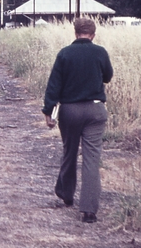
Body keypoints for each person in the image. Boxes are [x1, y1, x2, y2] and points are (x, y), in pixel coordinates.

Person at [42, 18, 113, 224]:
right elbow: (108, 76)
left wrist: (48, 111)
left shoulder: (65, 53)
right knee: (92, 159)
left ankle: (66, 193)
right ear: (93, 34)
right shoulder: (100, 52)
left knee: (70, 151)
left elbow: (54, 85)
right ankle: (89, 210)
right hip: (95, 110)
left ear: (75, 33)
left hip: (70, 111)